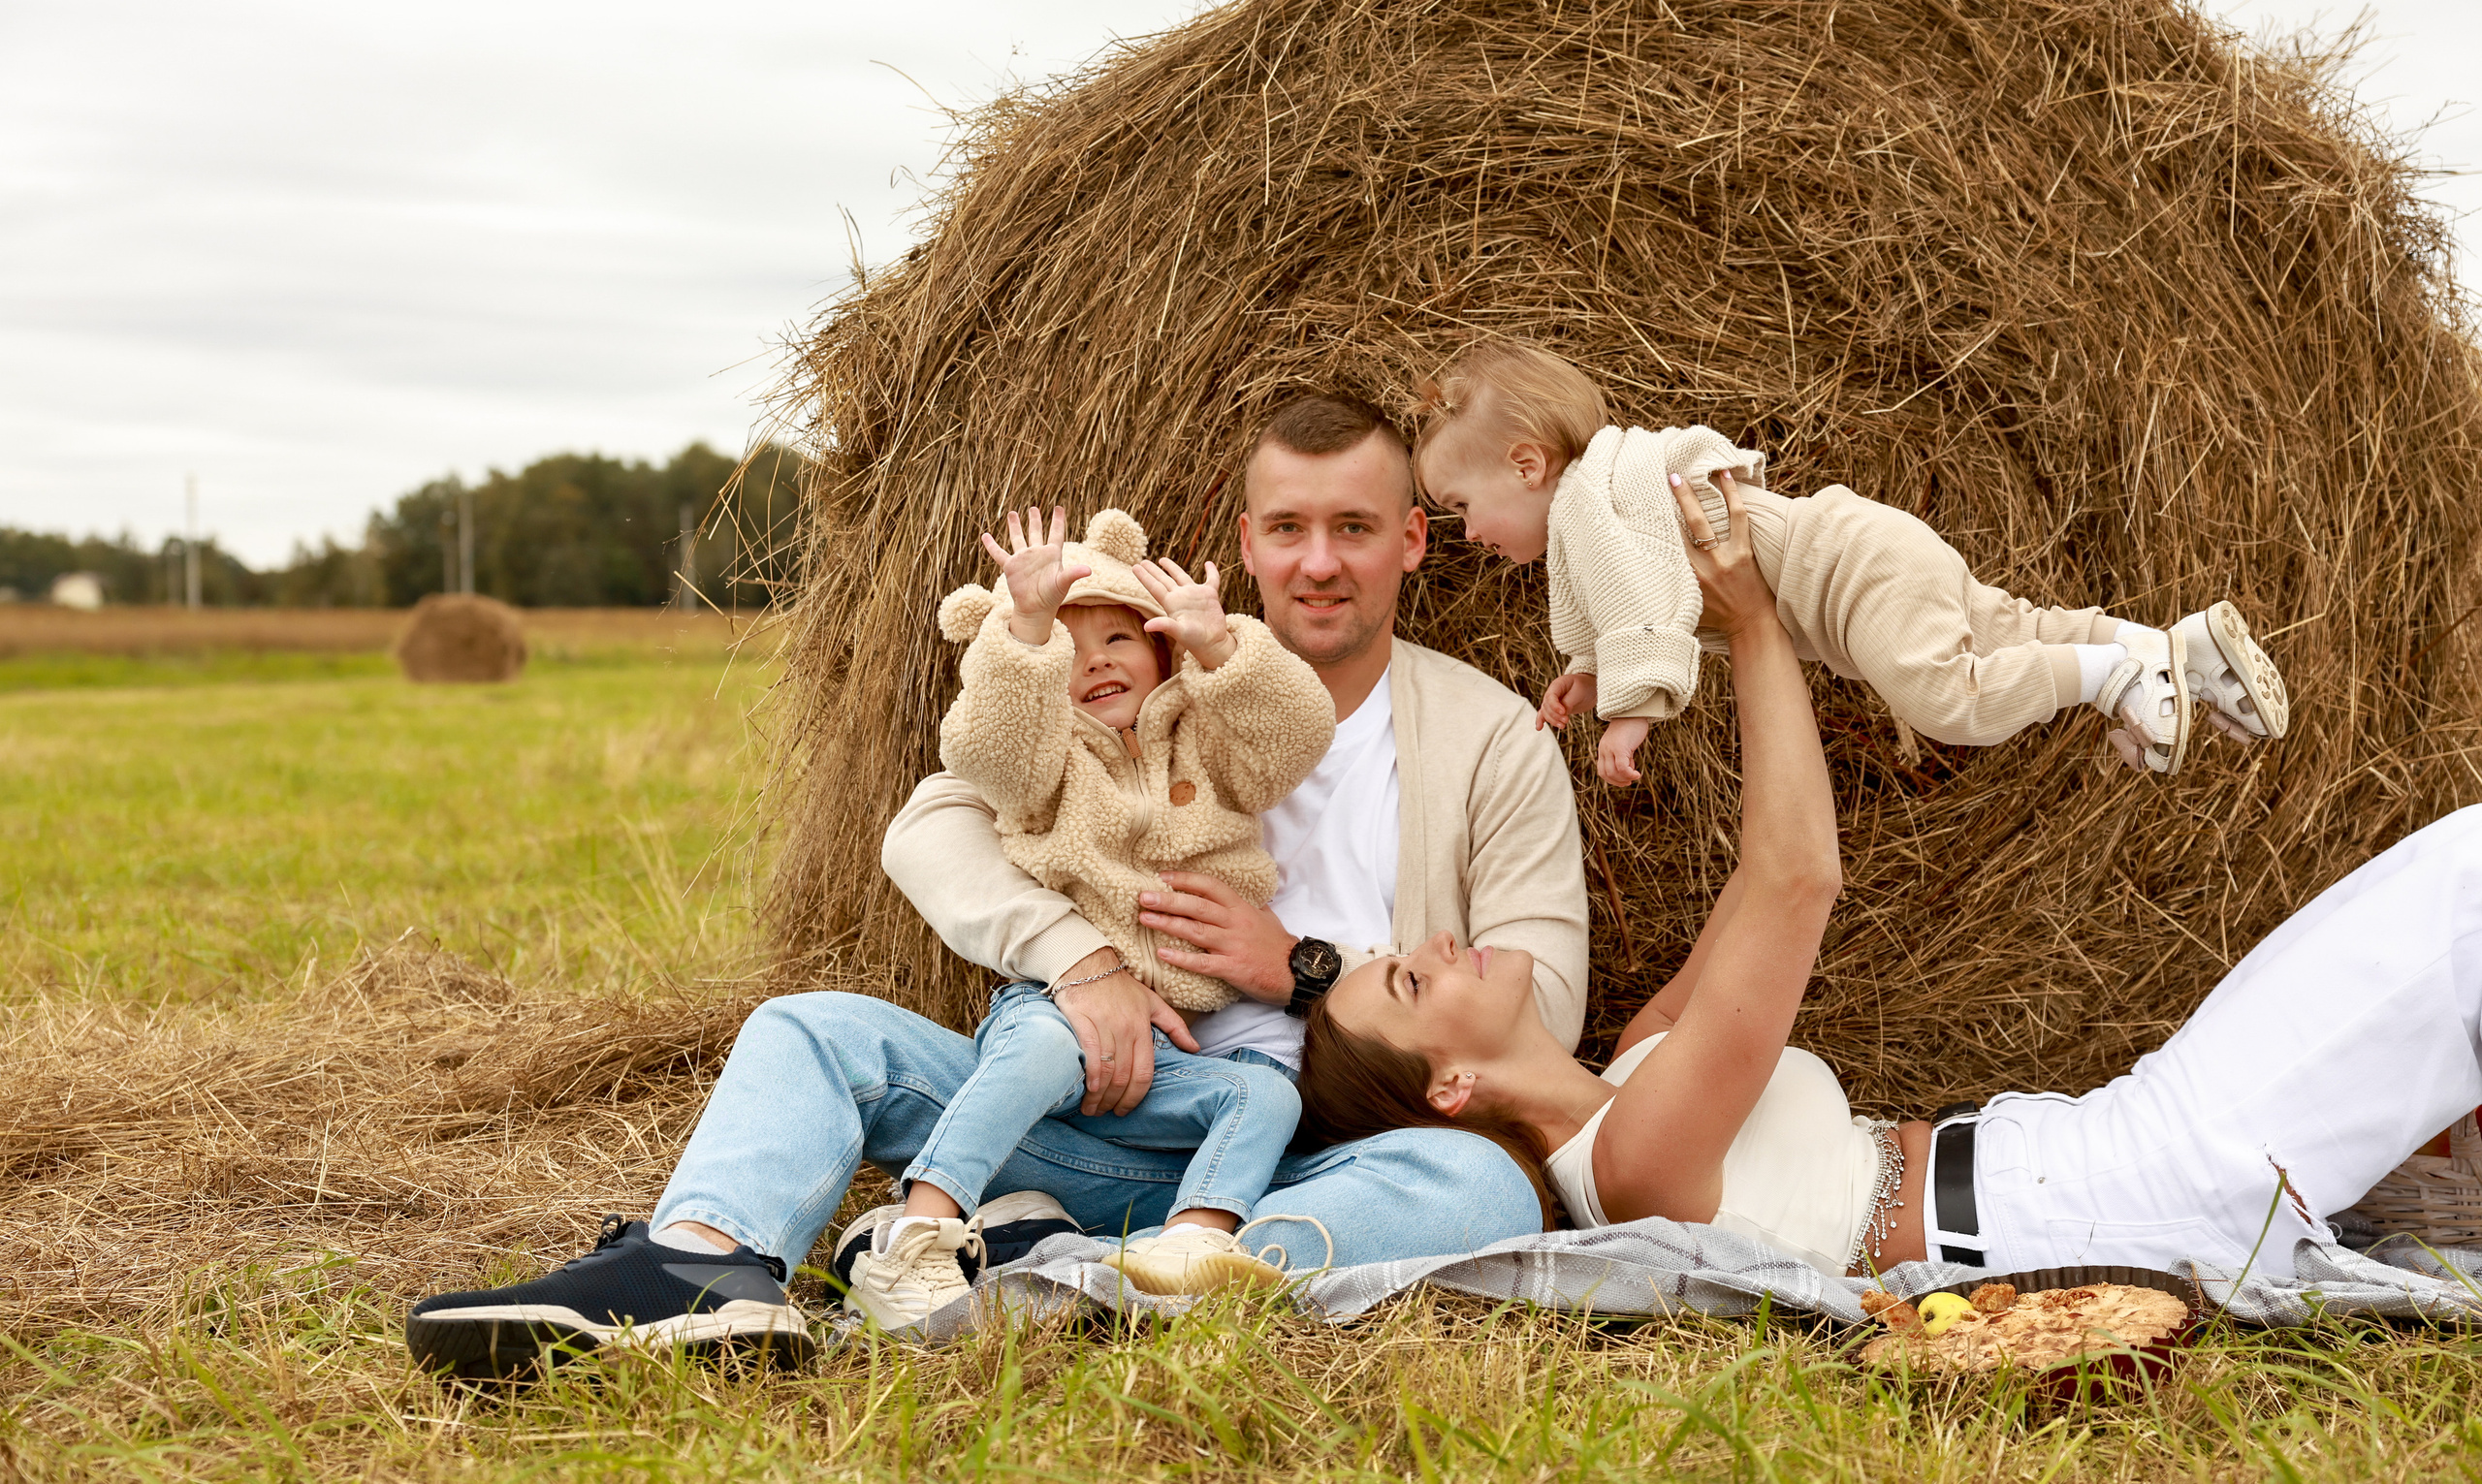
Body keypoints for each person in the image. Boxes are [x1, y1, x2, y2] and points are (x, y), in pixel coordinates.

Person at [404, 394, 1591, 1378]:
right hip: (1088, 1109)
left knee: (1476, 1182)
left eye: (1354, 528)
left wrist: (1301, 975)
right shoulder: (1133, 685)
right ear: (1244, 542)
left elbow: (1546, 1009)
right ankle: (706, 1268)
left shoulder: (1487, 739)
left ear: (1412, 542)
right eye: (1288, 528)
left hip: (1303, 1156)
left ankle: (1079, 1274)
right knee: (809, 1034)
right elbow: (928, 829)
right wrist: (1084, 964)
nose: (1318, 563)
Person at [1296, 467, 2481, 1288]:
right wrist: (1754, 622)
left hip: (2097, 1154)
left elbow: (1770, 873)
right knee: (2457, 892)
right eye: (1406, 980)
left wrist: (1651, 655)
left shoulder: (1634, 1076)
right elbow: (1798, 882)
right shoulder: (1633, 1162)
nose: (1436, 942)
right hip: (2118, 1199)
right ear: (1448, 1088)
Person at [845, 502, 1333, 1325]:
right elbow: (985, 747)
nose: (1097, 661)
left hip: (1165, 1044)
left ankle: (1191, 1239)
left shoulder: (1206, 743)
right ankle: (922, 1229)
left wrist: (1220, 646)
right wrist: (1026, 630)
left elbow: (1297, 736)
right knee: (1038, 1045)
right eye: (1070, 651)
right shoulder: (1044, 765)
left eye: (1118, 637)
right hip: (1059, 1009)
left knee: (1268, 1096)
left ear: (1159, 647)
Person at [1414, 336, 2289, 784]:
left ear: (1528, 464)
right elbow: (1636, 587)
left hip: (1851, 572)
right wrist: (1590, 671)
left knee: (1949, 700)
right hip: (1864, 545)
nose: (1468, 534)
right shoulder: (1610, 488)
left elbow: (1642, 596)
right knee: (2010, 629)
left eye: (1461, 507)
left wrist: (1632, 710)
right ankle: (2176, 648)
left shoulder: (1584, 502)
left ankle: (2109, 680)